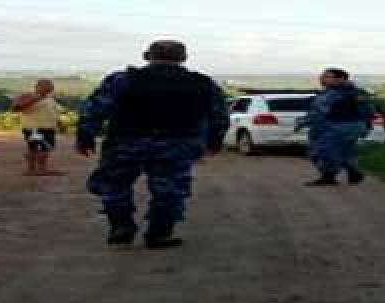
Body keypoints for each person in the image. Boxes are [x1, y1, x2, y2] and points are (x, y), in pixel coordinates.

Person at [76, 40, 229, 248]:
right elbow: (219, 115)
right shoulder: (203, 84)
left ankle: (121, 225)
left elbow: (94, 108)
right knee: (169, 189)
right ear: (183, 59)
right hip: (177, 144)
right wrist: (215, 140)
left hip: (126, 142)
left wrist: (85, 135)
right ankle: (159, 233)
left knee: (115, 184)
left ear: (147, 56)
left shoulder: (123, 80)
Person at [296, 67, 375, 187]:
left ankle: (329, 176)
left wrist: (302, 123)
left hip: (338, 127)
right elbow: (370, 111)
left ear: (341, 78)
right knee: (346, 151)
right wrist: (366, 127)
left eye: (327, 76)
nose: (322, 79)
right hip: (355, 128)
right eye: (322, 76)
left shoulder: (332, 94)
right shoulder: (358, 92)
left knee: (319, 151)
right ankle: (353, 173)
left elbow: (318, 113)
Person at [12, 78, 65, 176]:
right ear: (37, 87)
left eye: (49, 86)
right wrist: (35, 98)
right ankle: (36, 169)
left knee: (43, 148)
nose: (48, 88)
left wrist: (59, 124)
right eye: (45, 86)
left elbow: (54, 113)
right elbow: (16, 108)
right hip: (34, 127)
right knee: (40, 148)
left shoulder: (50, 99)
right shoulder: (28, 96)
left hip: (49, 128)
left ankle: (37, 169)